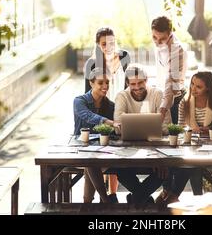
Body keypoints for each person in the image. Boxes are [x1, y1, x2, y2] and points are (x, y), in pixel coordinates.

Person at [156, 71, 212, 204]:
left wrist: (210, 129)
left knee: (191, 163)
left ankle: (171, 195)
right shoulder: (184, 103)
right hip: (191, 145)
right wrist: (189, 132)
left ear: (208, 87)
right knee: (171, 162)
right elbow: (180, 129)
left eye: (199, 86)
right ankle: (169, 193)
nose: (193, 88)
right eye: (192, 84)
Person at [113, 64, 171, 204]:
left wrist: (159, 158)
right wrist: (149, 129)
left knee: (163, 171)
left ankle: (136, 199)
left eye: (140, 83)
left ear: (146, 80)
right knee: (121, 170)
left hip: (154, 148)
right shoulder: (122, 96)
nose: (137, 87)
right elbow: (117, 126)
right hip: (129, 149)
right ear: (127, 83)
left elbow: (166, 127)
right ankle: (143, 199)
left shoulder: (158, 94)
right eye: (133, 84)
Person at [83, 27, 130, 200]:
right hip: (102, 108)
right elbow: (87, 91)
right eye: (104, 44)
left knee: (116, 155)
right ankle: (100, 200)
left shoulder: (124, 57)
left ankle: (112, 195)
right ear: (97, 45)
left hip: (120, 107)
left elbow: (128, 85)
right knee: (99, 155)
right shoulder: (92, 63)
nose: (108, 47)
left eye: (111, 43)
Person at [73, 67, 118, 203]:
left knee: (92, 162)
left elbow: (113, 131)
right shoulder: (79, 101)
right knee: (91, 161)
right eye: (100, 83)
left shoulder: (110, 106)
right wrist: (109, 122)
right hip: (79, 149)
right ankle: (105, 200)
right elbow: (88, 116)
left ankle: (88, 205)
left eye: (107, 83)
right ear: (91, 83)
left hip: (102, 150)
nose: (105, 86)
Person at [151, 16, 187, 124]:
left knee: (173, 136)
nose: (157, 42)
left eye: (162, 39)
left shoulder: (177, 50)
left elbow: (171, 82)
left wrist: (162, 109)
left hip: (175, 100)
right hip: (162, 96)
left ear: (170, 33)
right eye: (154, 37)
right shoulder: (159, 45)